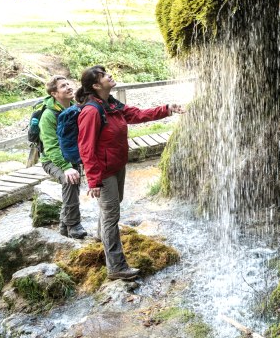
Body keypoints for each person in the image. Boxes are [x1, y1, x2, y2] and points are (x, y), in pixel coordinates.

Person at [76, 65, 184, 280]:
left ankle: (101, 238)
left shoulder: (111, 104)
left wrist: (167, 108)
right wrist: (94, 180)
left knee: (113, 207)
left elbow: (137, 115)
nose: (110, 75)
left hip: (117, 165)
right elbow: (86, 148)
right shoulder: (91, 111)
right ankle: (116, 267)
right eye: (105, 75)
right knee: (111, 216)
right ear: (96, 85)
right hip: (104, 171)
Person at [39, 75, 87, 239]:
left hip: (71, 156)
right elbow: (51, 147)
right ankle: (73, 225)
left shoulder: (75, 107)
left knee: (72, 183)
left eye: (68, 84)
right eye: (63, 86)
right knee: (70, 180)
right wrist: (66, 167)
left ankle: (63, 228)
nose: (68, 87)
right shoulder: (48, 116)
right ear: (54, 93)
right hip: (51, 160)